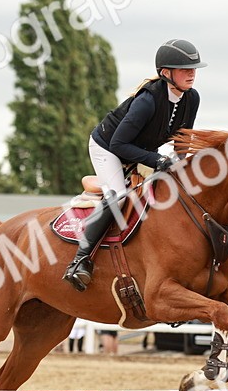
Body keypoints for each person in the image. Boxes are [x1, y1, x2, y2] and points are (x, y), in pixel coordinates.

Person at [63, 39, 205, 291]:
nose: (192, 73)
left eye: (193, 68)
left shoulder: (191, 98)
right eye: (185, 68)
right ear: (166, 73)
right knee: (118, 198)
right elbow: (119, 144)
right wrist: (159, 160)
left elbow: (183, 140)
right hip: (108, 148)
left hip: (140, 151)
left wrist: (181, 167)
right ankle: (79, 260)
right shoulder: (147, 101)